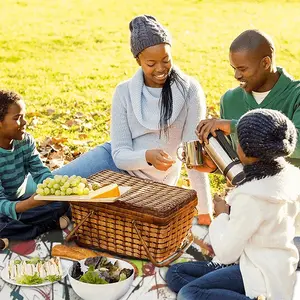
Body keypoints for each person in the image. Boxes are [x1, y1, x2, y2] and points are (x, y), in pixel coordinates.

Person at [42, 15, 212, 225]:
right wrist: (147, 156)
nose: (160, 68)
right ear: (138, 61)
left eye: (166, 60)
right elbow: (120, 154)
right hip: (113, 163)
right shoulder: (124, 92)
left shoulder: (189, 91)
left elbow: (193, 157)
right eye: (151, 63)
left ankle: (60, 217)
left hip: (151, 186)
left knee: (87, 216)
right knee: (47, 189)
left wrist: (205, 212)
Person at [166, 108, 300, 300]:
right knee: (176, 274)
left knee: (188, 293)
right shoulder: (291, 177)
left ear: (244, 150)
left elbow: (226, 252)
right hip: (272, 266)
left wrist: (222, 215)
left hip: (260, 278)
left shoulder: (251, 197)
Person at [196, 29, 300, 171]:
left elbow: (297, 144)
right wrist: (215, 166)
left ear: (265, 63)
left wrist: (235, 127)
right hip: (250, 189)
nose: (237, 75)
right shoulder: (230, 100)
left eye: (242, 69)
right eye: (234, 68)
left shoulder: (296, 95)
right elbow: (238, 161)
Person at [0, 90, 70, 241]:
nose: (24, 122)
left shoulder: (25, 141)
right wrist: (28, 205)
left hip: (20, 202)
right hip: (5, 207)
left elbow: (40, 172)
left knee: (64, 203)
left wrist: (53, 189)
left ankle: (17, 233)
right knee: (2, 223)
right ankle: (45, 227)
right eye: (17, 118)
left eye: (24, 116)